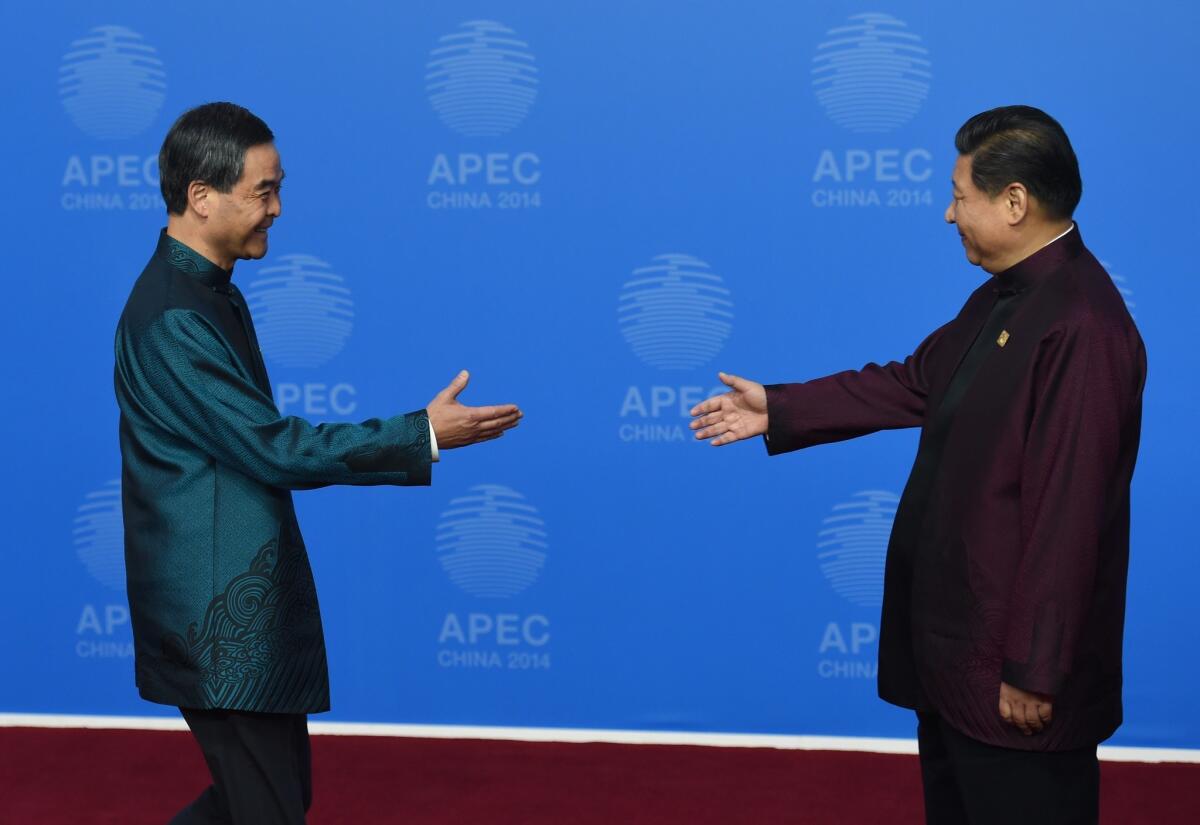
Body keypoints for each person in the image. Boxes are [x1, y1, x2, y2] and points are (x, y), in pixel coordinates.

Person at [689, 105, 1145, 825]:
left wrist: (1035, 670)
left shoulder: (1082, 327)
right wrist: (778, 408)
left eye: (961, 195)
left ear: (1015, 202)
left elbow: (1068, 516)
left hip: (1017, 689)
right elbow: (912, 380)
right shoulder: (1006, 298)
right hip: (962, 673)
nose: (947, 213)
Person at [114, 101, 522, 824]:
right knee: (268, 809)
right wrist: (420, 432)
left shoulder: (203, 295)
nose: (279, 208)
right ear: (201, 198)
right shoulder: (178, 314)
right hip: (220, 622)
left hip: (228, 613)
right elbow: (274, 446)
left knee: (268, 803)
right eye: (263, 191)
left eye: (279, 187)